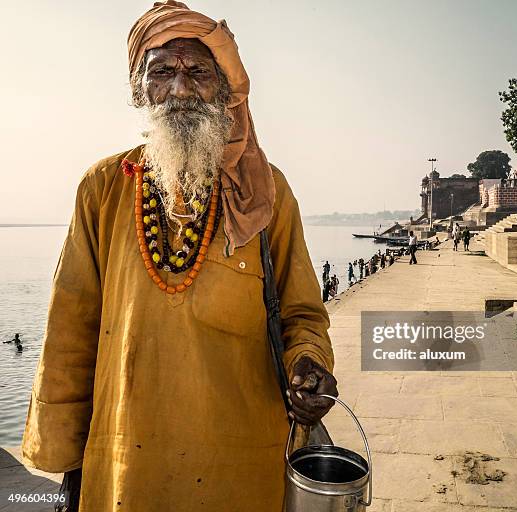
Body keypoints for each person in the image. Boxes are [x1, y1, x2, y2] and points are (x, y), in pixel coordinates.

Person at [21, 3, 337, 511]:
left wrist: (309, 362)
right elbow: (70, 331)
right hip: (125, 463)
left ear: (224, 89)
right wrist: (68, 463)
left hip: (244, 462)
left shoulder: (266, 191)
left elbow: (301, 310)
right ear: (138, 90)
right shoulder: (103, 188)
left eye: (198, 72)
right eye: (162, 72)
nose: (181, 88)